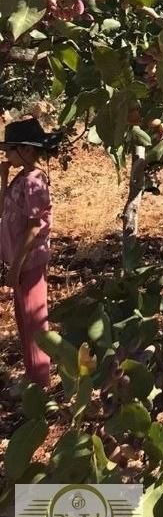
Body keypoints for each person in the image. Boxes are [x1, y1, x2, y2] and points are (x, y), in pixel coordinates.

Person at [0, 117, 59, 391]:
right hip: (18, 261)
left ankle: (40, 384)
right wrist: (3, 178)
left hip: (29, 261)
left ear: (26, 150)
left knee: (34, 320)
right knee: (24, 320)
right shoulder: (19, 179)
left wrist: (16, 266)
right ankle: (31, 378)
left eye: (10, 149)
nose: (7, 154)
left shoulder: (34, 182)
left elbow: (34, 227)